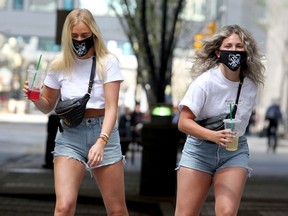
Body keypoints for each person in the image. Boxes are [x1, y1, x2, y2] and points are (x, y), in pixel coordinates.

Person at [23, 8, 129, 216]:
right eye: (74, 36)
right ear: (67, 37)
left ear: (94, 34)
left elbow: (112, 108)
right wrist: (35, 98)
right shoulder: (59, 64)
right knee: (63, 207)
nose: (80, 40)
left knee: (117, 210)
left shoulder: (107, 62)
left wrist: (101, 141)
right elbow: (48, 106)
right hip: (70, 135)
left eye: (84, 35)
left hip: (103, 133)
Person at [175, 25, 265, 216]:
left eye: (239, 46)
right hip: (200, 151)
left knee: (226, 212)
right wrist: (213, 136)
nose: (234, 50)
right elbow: (183, 122)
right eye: (229, 46)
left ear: (246, 51)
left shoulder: (251, 84)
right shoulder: (205, 82)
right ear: (218, 52)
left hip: (234, 151)